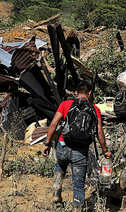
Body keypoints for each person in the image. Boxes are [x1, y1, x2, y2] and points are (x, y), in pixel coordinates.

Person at [42, 81, 112, 210]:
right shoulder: (94, 108)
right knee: (78, 184)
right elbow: (99, 131)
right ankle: (77, 208)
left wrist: (47, 143)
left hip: (62, 146)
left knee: (60, 165)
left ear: (76, 92)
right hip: (80, 151)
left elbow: (53, 124)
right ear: (90, 93)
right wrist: (105, 150)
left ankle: (56, 193)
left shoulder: (65, 104)